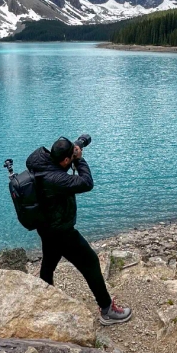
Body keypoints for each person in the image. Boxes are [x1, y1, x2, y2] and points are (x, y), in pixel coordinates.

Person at [26, 136, 132, 325]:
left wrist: (71, 154)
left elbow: (61, 165)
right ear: (66, 160)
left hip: (46, 227)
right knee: (90, 261)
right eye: (70, 158)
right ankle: (107, 310)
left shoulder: (41, 162)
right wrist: (80, 160)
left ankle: (42, 301)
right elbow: (86, 183)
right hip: (61, 231)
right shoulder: (56, 179)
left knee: (49, 264)